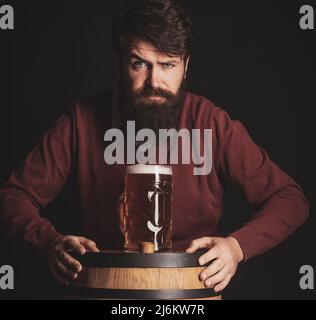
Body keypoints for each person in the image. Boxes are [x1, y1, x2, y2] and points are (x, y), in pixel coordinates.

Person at [0, 0, 309, 295]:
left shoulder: (211, 123)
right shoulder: (81, 120)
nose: (154, 80)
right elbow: (13, 197)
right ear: (119, 62)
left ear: (185, 66)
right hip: (99, 290)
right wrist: (50, 243)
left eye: (167, 64)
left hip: (191, 293)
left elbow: (290, 200)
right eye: (140, 64)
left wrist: (236, 247)